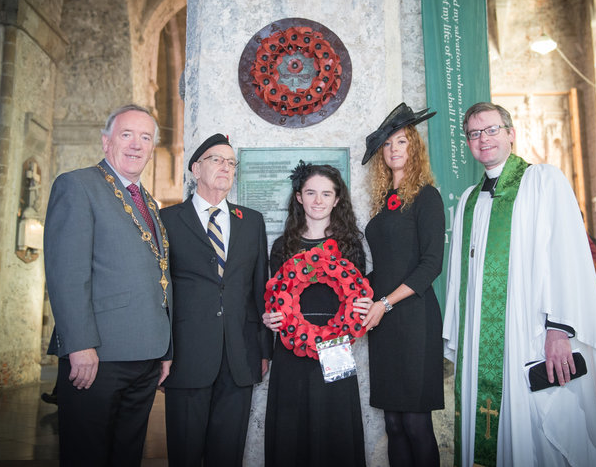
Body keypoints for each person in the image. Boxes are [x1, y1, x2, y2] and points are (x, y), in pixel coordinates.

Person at [443, 102, 596, 467]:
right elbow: (459, 283)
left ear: (511, 133)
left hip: (532, 334)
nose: (484, 139)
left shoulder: (544, 181)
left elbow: (566, 257)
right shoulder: (466, 201)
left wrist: (559, 331)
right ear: (467, 143)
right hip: (481, 348)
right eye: (474, 134)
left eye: (492, 129)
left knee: (537, 435)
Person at [44, 104, 172, 466]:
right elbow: (67, 273)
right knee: (88, 454)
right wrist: (80, 345)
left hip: (146, 357)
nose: (136, 145)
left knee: (127, 454)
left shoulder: (148, 202)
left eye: (145, 137)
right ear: (106, 141)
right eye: (126, 134)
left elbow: (159, 276)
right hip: (98, 357)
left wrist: (165, 348)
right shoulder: (78, 185)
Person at [159, 133, 271, 467]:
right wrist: (163, 352)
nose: (225, 167)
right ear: (196, 168)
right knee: (186, 453)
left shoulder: (251, 221)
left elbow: (259, 289)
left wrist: (264, 349)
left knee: (228, 454)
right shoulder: (167, 221)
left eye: (231, 162)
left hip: (240, 356)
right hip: (186, 356)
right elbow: (160, 293)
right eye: (216, 159)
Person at [262, 161, 373, 467]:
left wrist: (364, 306)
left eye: (326, 193)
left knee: (335, 425)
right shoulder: (282, 246)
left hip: (336, 347)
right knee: (291, 427)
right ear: (299, 196)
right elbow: (273, 301)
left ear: (338, 199)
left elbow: (358, 296)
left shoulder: (351, 246)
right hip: (292, 347)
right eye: (311, 192)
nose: (318, 200)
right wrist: (268, 317)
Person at [360, 103, 445, 467]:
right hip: (385, 320)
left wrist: (385, 303)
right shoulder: (383, 202)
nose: (394, 150)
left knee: (415, 422)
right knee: (393, 423)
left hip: (414, 319)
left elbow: (431, 265)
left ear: (414, 148)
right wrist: (355, 291)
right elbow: (384, 267)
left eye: (402, 142)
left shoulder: (427, 197)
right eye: (388, 144)